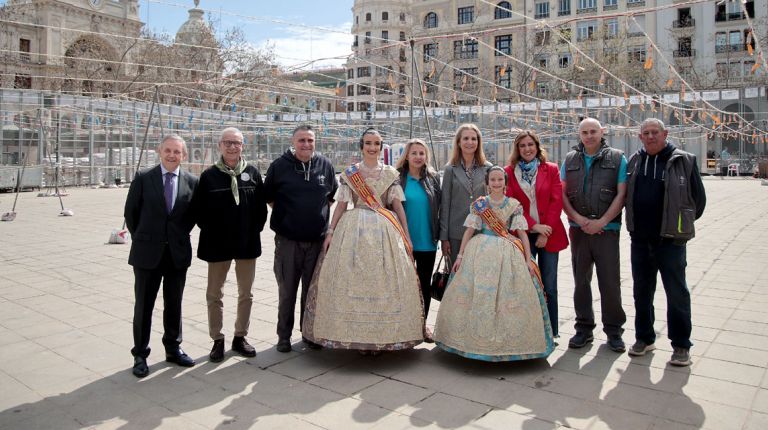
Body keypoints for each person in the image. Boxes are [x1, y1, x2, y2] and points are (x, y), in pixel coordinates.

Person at [302, 128, 424, 354]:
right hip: (353, 232)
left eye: (376, 143)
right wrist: (330, 232)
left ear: (381, 146)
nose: (372, 147)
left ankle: (382, 335)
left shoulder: (390, 173)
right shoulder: (351, 174)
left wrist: (406, 236)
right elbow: (340, 205)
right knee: (351, 282)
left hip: (385, 232)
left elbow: (397, 207)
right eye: (368, 143)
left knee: (382, 283)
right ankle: (354, 335)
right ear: (361, 146)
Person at [434, 166, 554, 361]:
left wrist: (528, 259)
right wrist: (460, 256)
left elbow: (522, 233)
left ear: (505, 183)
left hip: (507, 251)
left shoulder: (513, 205)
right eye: (493, 180)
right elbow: (469, 231)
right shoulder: (480, 204)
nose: (497, 183)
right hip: (479, 251)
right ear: (487, 183)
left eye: (500, 180)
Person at [625, 118, 706, 367]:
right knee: (641, 292)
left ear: (665, 133)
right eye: (646, 133)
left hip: (670, 241)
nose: (650, 137)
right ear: (640, 137)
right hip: (640, 239)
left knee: (676, 293)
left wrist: (679, 223)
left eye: (655, 132)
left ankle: (681, 345)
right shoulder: (635, 161)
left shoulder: (683, 160)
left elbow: (698, 201)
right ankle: (644, 338)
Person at [124, 134, 198, 378]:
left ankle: (173, 348)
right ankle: (140, 354)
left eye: (177, 151)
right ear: (160, 151)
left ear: (183, 155)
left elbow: (192, 216)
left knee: (174, 304)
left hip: (176, 254)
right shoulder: (144, 178)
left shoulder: (191, 181)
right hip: (147, 254)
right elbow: (131, 213)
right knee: (144, 305)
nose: (172, 155)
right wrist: (147, 238)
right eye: (168, 150)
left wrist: (175, 237)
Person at [192, 127, 268, 362]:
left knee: (246, 293)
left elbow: (260, 210)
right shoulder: (208, 176)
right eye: (228, 143)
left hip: (246, 243)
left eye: (236, 143)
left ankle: (239, 336)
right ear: (220, 146)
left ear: (243, 146)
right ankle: (217, 339)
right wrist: (216, 231)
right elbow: (199, 211)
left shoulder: (253, 173)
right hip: (218, 245)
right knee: (214, 294)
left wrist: (251, 230)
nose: (232, 147)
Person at [264, 125, 338, 353]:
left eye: (310, 140)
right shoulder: (279, 166)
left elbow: (331, 197)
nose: (306, 144)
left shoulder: (325, 165)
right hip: (288, 241)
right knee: (287, 290)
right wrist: (290, 218)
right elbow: (269, 198)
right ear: (293, 142)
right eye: (302, 140)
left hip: (316, 241)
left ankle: (309, 333)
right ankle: (283, 336)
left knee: (312, 290)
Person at [561, 117, 627, 352]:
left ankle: (614, 331)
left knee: (609, 282)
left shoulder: (617, 158)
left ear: (602, 132)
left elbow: (621, 195)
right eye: (584, 132)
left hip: (607, 232)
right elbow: (563, 195)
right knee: (581, 281)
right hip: (579, 232)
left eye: (593, 131)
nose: (589, 136)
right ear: (579, 135)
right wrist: (578, 220)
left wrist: (602, 221)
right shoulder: (570, 160)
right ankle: (584, 328)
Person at [504, 130, 568, 338]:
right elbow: (512, 205)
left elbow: (556, 201)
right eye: (522, 145)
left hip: (549, 234)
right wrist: (533, 226)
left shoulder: (551, 169)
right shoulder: (509, 172)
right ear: (517, 149)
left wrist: (545, 230)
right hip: (522, 233)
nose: (527, 149)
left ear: (537, 146)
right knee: (525, 284)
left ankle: (552, 331)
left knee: (549, 285)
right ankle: (528, 332)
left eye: (530, 144)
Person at [395, 138, 441, 341]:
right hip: (402, 241)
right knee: (402, 285)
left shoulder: (432, 178)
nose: (418, 157)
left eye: (422, 153)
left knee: (424, 285)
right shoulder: (397, 178)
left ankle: (422, 326)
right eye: (414, 153)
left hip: (427, 241)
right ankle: (401, 326)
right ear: (407, 155)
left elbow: (440, 208)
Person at [440, 124, 493, 265]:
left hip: (482, 230)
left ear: (478, 142)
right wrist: (444, 237)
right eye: (466, 138)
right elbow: (445, 204)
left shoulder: (488, 168)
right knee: (456, 276)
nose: (470, 142)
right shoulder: (450, 169)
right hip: (456, 232)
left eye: (473, 139)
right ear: (458, 142)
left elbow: (493, 199)